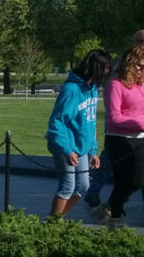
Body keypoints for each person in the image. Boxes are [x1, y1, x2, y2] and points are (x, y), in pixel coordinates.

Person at [44, 49, 110, 219]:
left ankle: (56, 219)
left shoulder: (93, 89)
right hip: (65, 144)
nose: (107, 72)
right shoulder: (71, 89)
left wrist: (93, 151)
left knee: (83, 187)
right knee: (67, 186)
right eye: (105, 68)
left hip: (81, 147)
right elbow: (57, 122)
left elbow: (91, 121)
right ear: (95, 68)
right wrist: (67, 150)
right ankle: (52, 226)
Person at [95, 44, 144, 229]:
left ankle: (111, 206)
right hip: (119, 139)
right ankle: (115, 216)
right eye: (140, 66)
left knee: (137, 181)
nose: (143, 70)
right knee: (126, 180)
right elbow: (114, 118)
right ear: (130, 63)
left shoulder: (141, 86)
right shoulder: (114, 84)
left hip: (140, 139)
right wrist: (141, 123)